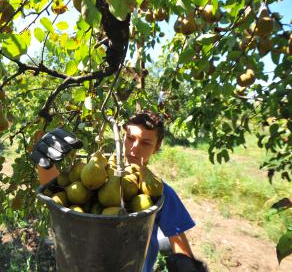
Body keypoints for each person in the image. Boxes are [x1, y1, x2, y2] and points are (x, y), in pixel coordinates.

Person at [31, 111, 206, 272]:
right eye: (130, 138)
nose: (134, 148)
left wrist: (187, 265)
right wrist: (45, 161)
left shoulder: (160, 192)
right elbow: (58, 195)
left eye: (145, 142)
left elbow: (179, 244)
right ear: (122, 137)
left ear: (157, 146)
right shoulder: (100, 170)